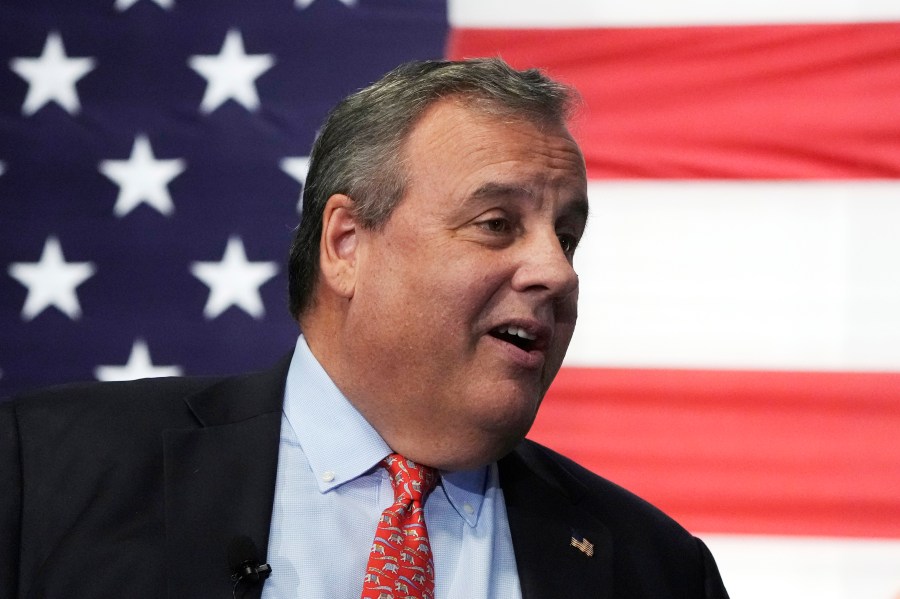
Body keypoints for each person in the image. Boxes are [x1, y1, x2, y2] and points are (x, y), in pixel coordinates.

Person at [0, 58, 729, 598]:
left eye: (565, 237)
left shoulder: (656, 570)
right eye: (497, 224)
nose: (556, 272)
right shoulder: (40, 475)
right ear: (347, 243)